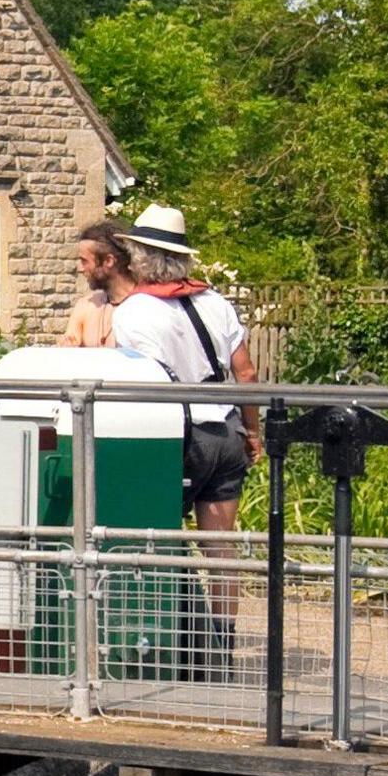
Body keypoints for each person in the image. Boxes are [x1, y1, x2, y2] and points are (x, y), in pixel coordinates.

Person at [97, 206, 260, 535]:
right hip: (227, 430)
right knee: (220, 549)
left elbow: (141, 382)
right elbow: (247, 374)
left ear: (138, 258)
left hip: (180, 434)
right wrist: (253, 432)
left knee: (159, 538)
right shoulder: (215, 301)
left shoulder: (133, 312)